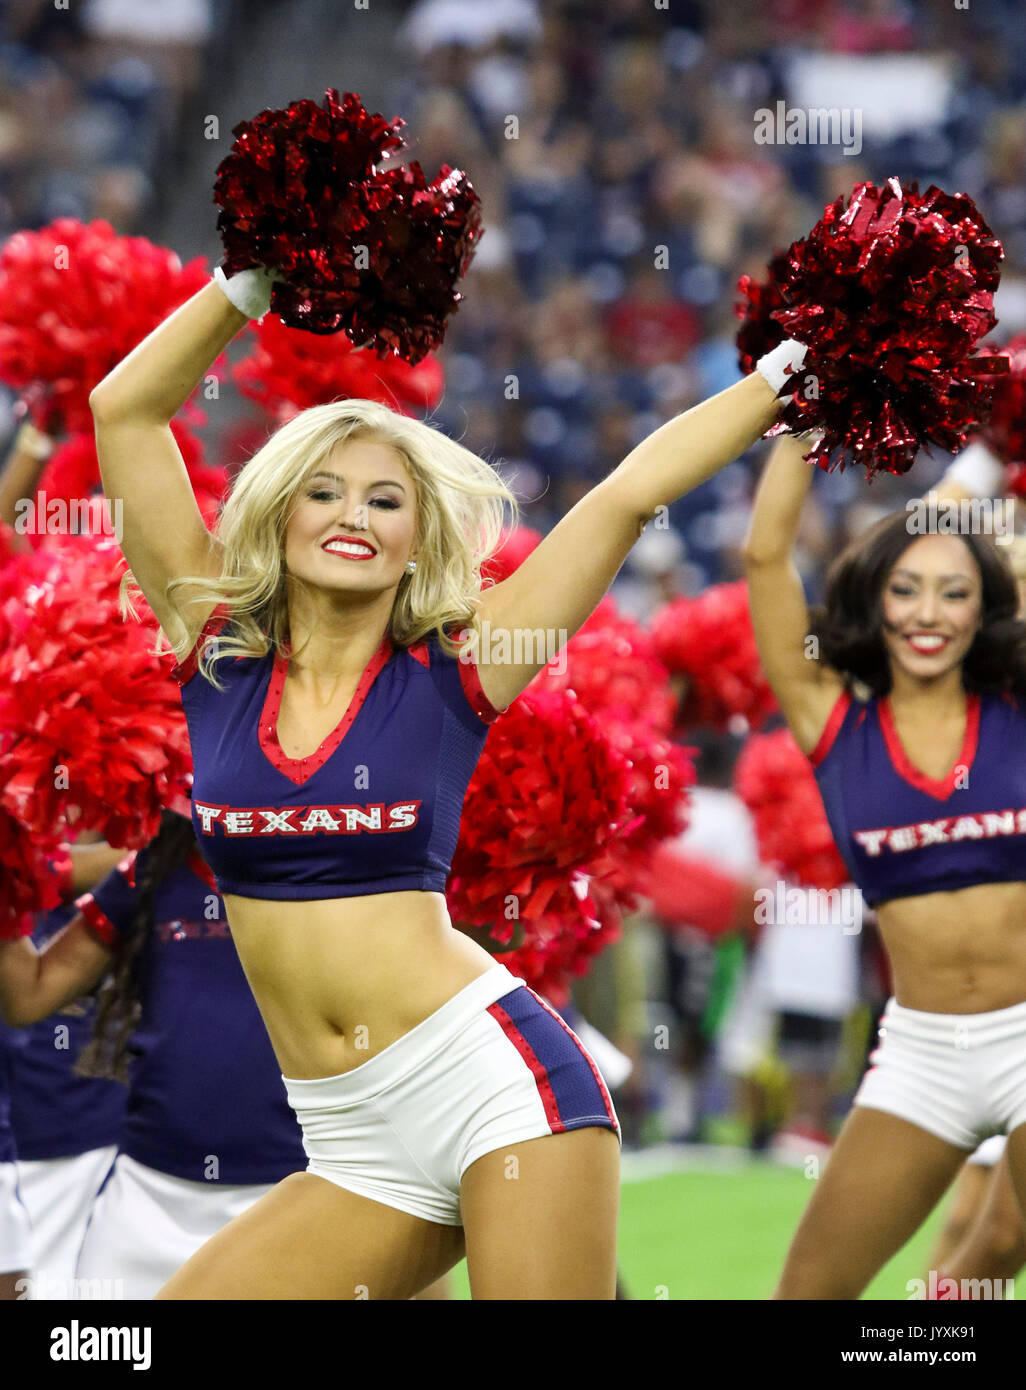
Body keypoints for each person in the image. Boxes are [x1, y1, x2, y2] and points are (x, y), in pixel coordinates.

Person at [86, 256, 799, 1298]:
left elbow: (629, 493)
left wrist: (792, 368)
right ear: (279, 511)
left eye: (385, 499)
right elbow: (125, 411)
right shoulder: (214, 656)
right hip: (348, 1136)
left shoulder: (461, 670)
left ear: (416, 535)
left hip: (495, 1087)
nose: (353, 514)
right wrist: (247, 284)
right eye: (323, 490)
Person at [744, 430, 1026, 1299]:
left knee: (1002, 1237)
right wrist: (806, 415)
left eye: (954, 592)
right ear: (875, 600)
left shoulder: (1015, 706)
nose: (928, 614)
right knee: (809, 1295)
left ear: (985, 608)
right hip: (920, 1052)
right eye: (906, 590)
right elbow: (763, 555)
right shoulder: (833, 723)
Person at [0, 810, 309, 1299]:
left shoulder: (326, 877)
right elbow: (29, 994)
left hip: (286, 1193)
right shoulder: (150, 869)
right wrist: (8, 872)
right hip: (145, 1202)